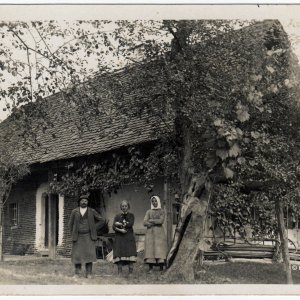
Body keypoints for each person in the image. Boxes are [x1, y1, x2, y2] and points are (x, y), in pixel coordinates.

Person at [68, 194, 105, 278]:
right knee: (77, 254)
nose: (84, 202)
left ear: (87, 202)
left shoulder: (92, 211)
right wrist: (73, 233)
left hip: (88, 236)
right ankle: (77, 273)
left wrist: (93, 228)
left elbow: (102, 220)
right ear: (79, 202)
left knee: (89, 254)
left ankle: (89, 273)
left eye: (86, 201)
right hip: (78, 236)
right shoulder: (75, 211)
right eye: (82, 201)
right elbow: (70, 224)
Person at [143, 195, 168, 274]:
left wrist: (151, 220)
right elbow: (144, 222)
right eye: (153, 201)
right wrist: (151, 222)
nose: (154, 202)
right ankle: (150, 268)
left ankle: (161, 268)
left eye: (155, 201)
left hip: (159, 233)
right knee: (151, 250)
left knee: (159, 250)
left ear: (158, 201)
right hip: (150, 233)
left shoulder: (162, 211)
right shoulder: (148, 211)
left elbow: (161, 221)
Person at [112, 200, 137, 275]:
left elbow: (130, 224)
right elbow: (113, 226)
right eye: (122, 206)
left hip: (128, 237)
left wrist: (119, 224)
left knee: (130, 253)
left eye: (125, 206)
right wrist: (120, 229)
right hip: (119, 237)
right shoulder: (117, 216)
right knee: (119, 253)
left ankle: (131, 272)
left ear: (128, 207)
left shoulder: (131, 215)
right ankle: (119, 272)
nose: (124, 207)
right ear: (121, 207)